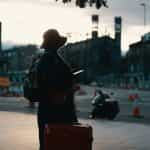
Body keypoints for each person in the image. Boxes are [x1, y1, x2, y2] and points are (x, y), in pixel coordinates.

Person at [37, 29, 78, 150]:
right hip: (56, 111)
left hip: (48, 110)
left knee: (49, 143)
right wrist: (68, 88)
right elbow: (51, 86)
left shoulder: (48, 59)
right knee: (55, 143)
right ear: (55, 44)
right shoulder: (50, 60)